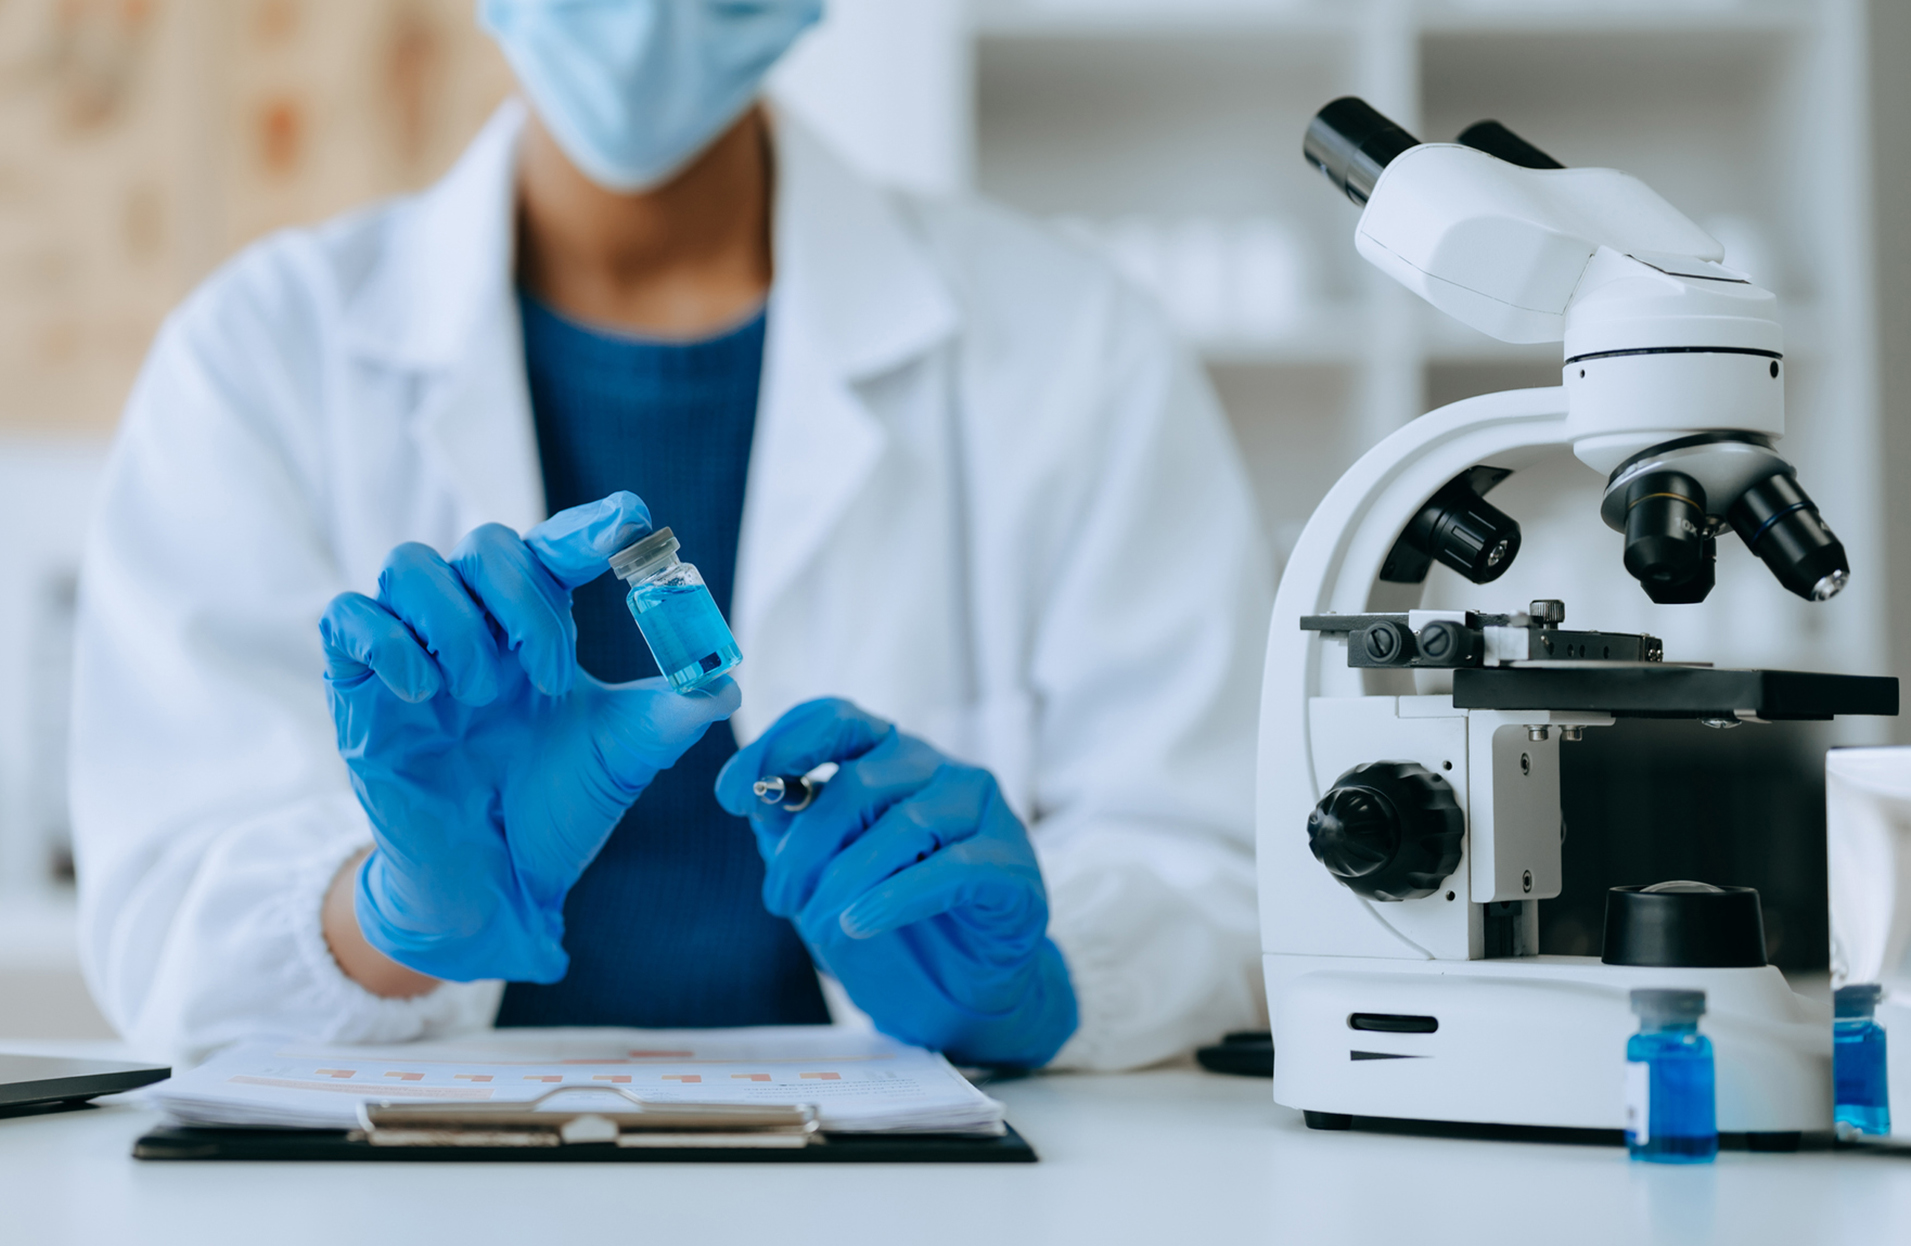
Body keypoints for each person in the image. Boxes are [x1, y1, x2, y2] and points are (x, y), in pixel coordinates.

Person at [71, 0, 1272, 1069]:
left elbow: (1216, 844)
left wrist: (1039, 984)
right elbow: (163, 922)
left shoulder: (1072, 344)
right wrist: (389, 913)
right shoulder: (260, 353)